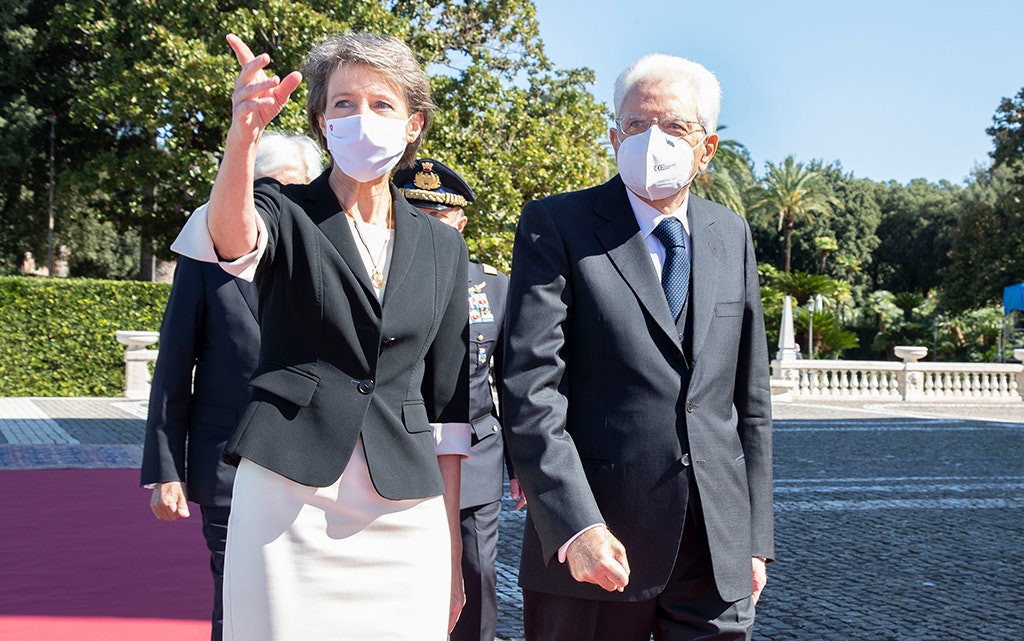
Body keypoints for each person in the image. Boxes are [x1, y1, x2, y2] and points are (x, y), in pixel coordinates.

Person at [170, 33, 471, 640]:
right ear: (320, 122)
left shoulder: (444, 244)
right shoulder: (284, 210)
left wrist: (452, 548)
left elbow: (448, 407)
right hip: (288, 495)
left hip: (405, 506)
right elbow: (232, 240)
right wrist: (243, 135)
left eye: (382, 105)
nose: (362, 118)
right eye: (343, 104)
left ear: (414, 124)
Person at [501, 53, 774, 640]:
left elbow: (749, 402)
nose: (653, 141)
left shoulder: (731, 234)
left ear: (708, 149)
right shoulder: (557, 224)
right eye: (635, 125)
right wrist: (573, 525)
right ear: (612, 135)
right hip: (597, 545)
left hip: (714, 552)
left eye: (674, 127)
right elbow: (530, 386)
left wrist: (753, 538)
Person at [140, 131, 321, 641]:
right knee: (237, 604)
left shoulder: (330, 254)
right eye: (267, 188)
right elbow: (175, 363)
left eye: (294, 189)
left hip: (318, 468)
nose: (277, 202)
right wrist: (166, 469)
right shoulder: (206, 252)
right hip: (229, 469)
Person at [394, 158, 527, 641]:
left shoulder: (493, 286)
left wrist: (524, 466)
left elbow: (514, 382)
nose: (428, 228)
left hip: (475, 455)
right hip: (392, 453)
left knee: (475, 574)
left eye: (440, 218)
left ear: (461, 223)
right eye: (416, 216)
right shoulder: (373, 278)